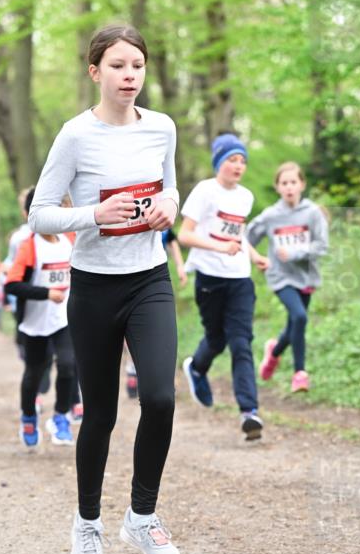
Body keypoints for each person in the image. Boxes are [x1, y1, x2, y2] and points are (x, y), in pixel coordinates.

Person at [29, 23, 183, 554]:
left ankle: (142, 517)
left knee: (161, 399)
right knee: (100, 415)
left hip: (149, 280)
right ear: (95, 72)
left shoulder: (162, 127)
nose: (130, 76)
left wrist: (170, 207)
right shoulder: (75, 135)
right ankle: (87, 524)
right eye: (118, 66)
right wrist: (94, 214)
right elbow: (40, 213)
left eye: (137, 66)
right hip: (93, 286)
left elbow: (169, 187)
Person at [178, 133, 268, 441]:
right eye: (232, 159)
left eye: (243, 160)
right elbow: (185, 235)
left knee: (241, 342)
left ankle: (249, 412)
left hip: (239, 278)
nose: (238, 166)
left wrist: (254, 256)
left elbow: (237, 234)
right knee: (216, 340)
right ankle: (196, 368)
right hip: (209, 277)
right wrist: (218, 249)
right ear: (219, 162)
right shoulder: (205, 191)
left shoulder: (245, 197)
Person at [247, 162, 329, 392]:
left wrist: (295, 253)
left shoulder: (312, 213)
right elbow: (246, 238)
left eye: (293, 182)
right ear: (278, 187)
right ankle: (300, 374)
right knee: (300, 317)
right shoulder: (271, 215)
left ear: (302, 184)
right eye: (284, 183)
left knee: (294, 322)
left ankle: (273, 351)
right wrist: (257, 257)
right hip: (280, 275)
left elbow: (322, 246)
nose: (289, 187)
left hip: (306, 276)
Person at [5, 192, 77, 449]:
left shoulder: (69, 239)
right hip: (35, 324)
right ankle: (28, 416)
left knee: (69, 366)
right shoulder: (30, 247)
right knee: (34, 374)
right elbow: (12, 285)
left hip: (63, 319)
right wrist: (46, 293)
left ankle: (60, 417)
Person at [124, 227, 187, 400]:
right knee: (131, 329)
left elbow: (172, 240)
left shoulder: (160, 213)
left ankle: (164, 377)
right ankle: (131, 368)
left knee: (162, 330)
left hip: (157, 280)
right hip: (130, 279)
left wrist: (180, 266)